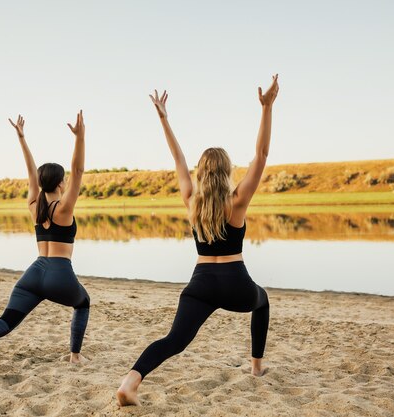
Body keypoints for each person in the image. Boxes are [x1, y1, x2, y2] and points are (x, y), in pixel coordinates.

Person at [117, 75, 280, 406]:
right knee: (261, 301)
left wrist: (164, 118)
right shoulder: (237, 201)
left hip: (201, 283)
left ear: (202, 172)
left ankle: (130, 383)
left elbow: (177, 160)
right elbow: (261, 155)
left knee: (174, 340)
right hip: (236, 282)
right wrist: (267, 108)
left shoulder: (192, 199)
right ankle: (256, 367)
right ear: (226, 171)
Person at [0, 111, 90, 382]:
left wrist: (22, 139)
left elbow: (30, 172)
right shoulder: (64, 208)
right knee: (83, 303)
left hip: (34, 273)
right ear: (60, 183)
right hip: (60, 273)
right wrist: (80, 138)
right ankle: (75, 355)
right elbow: (79, 170)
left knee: (6, 321)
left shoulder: (35, 207)